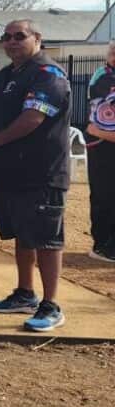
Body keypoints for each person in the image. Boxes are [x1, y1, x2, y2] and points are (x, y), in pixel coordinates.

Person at [0, 19, 72, 331]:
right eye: (7, 37)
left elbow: (31, 118)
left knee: (46, 239)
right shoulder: (6, 76)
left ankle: (51, 304)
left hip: (41, 173)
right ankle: (25, 293)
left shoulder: (48, 74)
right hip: (10, 174)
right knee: (22, 235)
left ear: (37, 39)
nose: (12, 41)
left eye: (20, 36)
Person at [85, 41, 115, 263]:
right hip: (103, 146)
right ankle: (104, 246)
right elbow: (102, 115)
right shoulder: (103, 76)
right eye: (113, 51)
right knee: (104, 195)